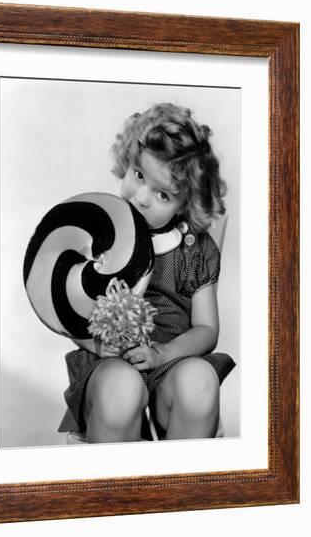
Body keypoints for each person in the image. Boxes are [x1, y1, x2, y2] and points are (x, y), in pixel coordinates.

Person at [58, 103, 236, 443]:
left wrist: (164, 354)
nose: (141, 198)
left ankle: (179, 489)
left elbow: (206, 329)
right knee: (120, 390)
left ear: (186, 203)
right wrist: (93, 344)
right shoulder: (100, 234)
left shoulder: (193, 250)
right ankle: (115, 488)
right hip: (111, 363)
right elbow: (68, 311)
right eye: (139, 175)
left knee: (199, 382)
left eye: (162, 194)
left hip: (170, 361)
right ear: (127, 160)